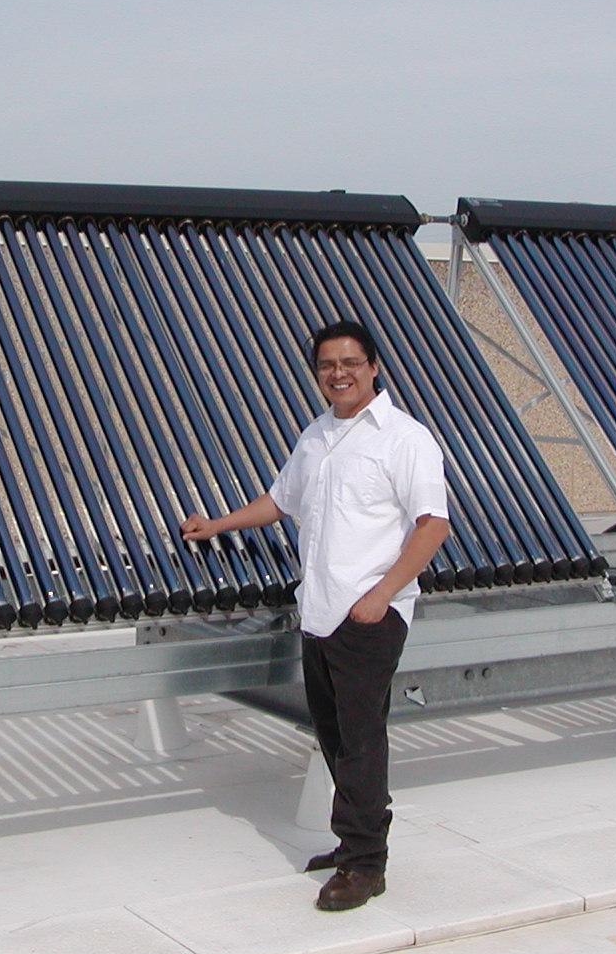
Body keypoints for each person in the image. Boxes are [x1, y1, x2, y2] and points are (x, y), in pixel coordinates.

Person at [182, 320, 449, 911]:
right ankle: (353, 843)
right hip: (320, 610)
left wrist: (382, 595)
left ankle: (365, 865)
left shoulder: (406, 439)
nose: (339, 373)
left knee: (359, 740)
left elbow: (433, 525)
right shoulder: (317, 436)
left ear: (374, 366)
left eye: (351, 362)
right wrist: (218, 524)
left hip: (369, 612)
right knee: (332, 736)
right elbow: (281, 501)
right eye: (328, 365)